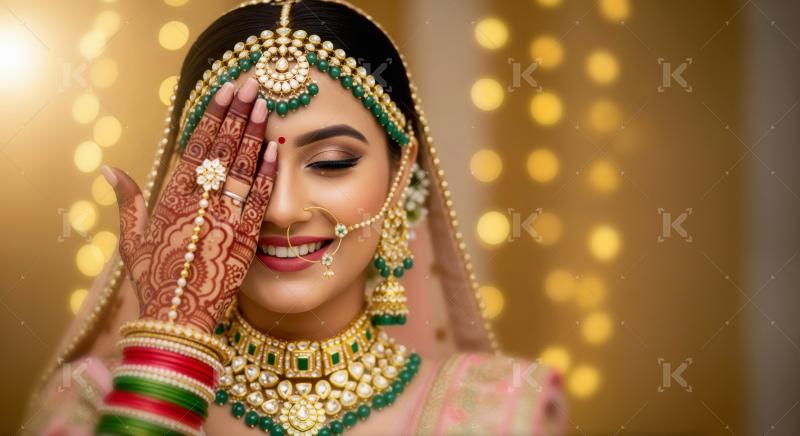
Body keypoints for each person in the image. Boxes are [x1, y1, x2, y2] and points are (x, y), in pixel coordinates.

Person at [23, 1, 566, 434]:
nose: (280, 208)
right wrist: (169, 362)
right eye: (241, 168)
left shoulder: (505, 410)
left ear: (401, 175)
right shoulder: (87, 403)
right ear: (187, 182)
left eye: (332, 163)